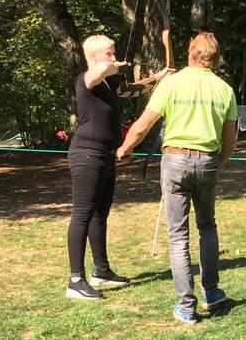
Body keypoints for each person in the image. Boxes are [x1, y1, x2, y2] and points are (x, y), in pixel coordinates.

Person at [117, 31, 237, 324]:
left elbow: (143, 125)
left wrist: (124, 149)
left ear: (191, 53)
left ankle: (187, 306)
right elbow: (230, 144)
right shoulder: (225, 90)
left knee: (178, 235)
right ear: (214, 58)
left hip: (175, 160)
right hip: (207, 161)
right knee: (207, 227)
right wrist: (214, 163)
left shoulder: (172, 83)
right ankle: (211, 293)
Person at [67, 34, 173, 300]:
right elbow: (98, 71)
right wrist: (115, 64)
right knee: (82, 214)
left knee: (100, 214)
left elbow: (131, 89)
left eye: (114, 53)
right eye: (109, 53)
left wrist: (156, 79)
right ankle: (75, 281)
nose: (114, 58)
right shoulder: (86, 81)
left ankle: (101, 271)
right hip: (86, 154)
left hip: (106, 154)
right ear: (93, 56)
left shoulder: (109, 83)